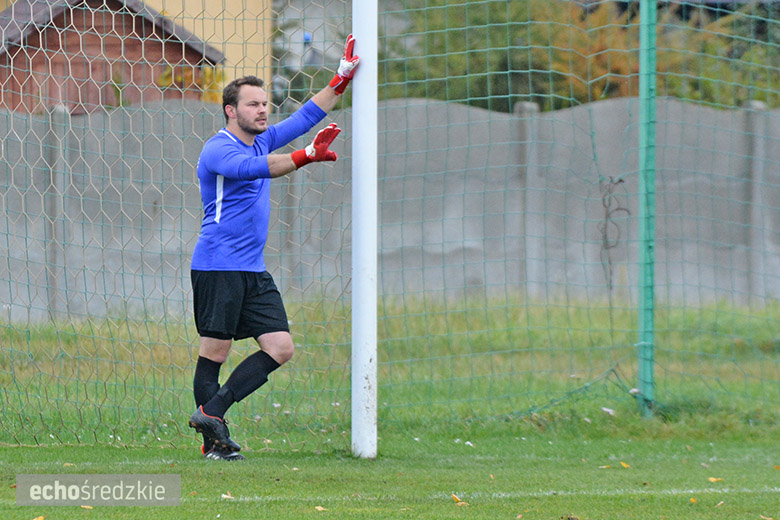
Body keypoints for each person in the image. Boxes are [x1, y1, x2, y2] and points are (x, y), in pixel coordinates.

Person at [187, 35, 359, 461]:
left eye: (265, 103)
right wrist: (306, 156)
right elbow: (254, 170)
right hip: (217, 266)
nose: (263, 110)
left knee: (280, 347)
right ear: (231, 110)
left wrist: (340, 80)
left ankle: (212, 412)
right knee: (216, 352)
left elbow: (306, 116)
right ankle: (215, 445)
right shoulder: (219, 149)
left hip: (251, 268)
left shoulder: (263, 138)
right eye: (253, 104)